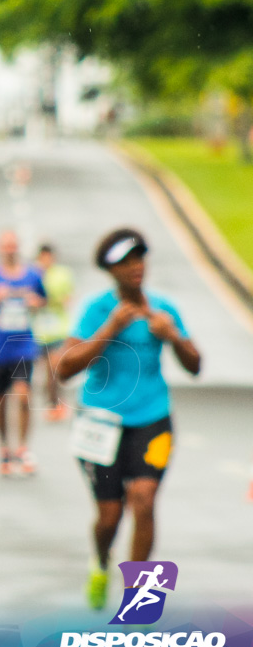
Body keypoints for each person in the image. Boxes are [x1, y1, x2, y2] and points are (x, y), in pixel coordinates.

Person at [55, 228, 199, 611]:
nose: (136, 267)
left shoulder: (163, 309)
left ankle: (140, 598)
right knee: (109, 515)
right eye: (126, 262)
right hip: (100, 424)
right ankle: (101, 561)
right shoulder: (96, 310)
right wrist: (111, 329)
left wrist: (173, 337)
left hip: (153, 420)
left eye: (140, 259)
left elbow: (195, 365)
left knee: (145, 499)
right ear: (110, 270)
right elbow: (64, 369)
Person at [0, 230, 46, 475]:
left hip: (23, 347)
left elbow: (44, 300)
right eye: (6, 245)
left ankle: (23, 449)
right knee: (0, 400)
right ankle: (4, 448)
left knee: (24, 395)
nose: (10, 249)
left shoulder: (33, 274)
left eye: (14, 245)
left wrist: (36, 302)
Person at [33, 243, 74, 421]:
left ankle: (56, 403)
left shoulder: (62, 274)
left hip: (57, 330)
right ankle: (51, 401)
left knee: (54, 368)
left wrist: (47, 301)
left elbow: (68, 298)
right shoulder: (32, 274)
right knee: (45, 371)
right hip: (38, 331)